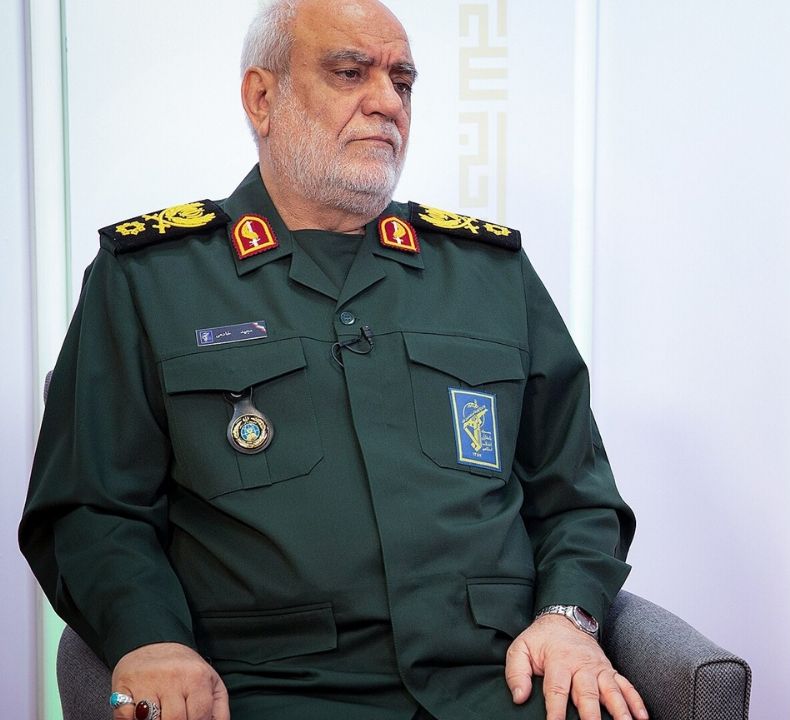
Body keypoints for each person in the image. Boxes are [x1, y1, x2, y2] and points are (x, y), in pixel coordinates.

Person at [18, 1, 646, 719]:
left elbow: (578, 495)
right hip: (271, 692)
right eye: (351, 73)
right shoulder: (151, 279)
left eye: (401, 82)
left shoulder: (490, 275)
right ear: (262, 97)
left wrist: (568, 617)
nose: (387, 103)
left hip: (496, 685)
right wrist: (150, 639)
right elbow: (92, 508)